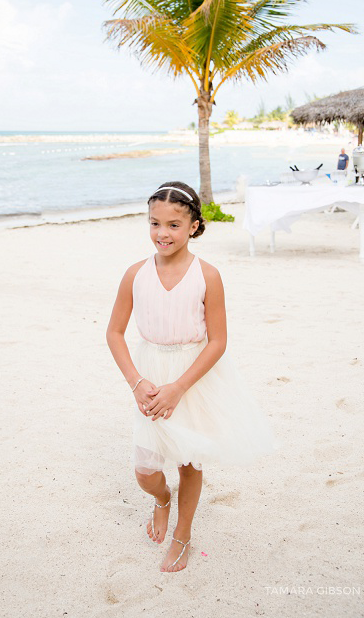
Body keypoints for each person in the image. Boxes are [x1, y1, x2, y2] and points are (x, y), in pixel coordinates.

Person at [106, 182, 274, 572]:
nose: (162, 233)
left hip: (191, 378)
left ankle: (183, 534)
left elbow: (218, 341)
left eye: (174, 225)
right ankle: (162, 499)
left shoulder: (208, 276)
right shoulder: (135, 274)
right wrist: (136, 381)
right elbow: (114, 333)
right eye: (155, 223)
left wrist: (179, 387)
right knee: (146, 470)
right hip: (149, 376)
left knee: (188, 462)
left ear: (195, 226)